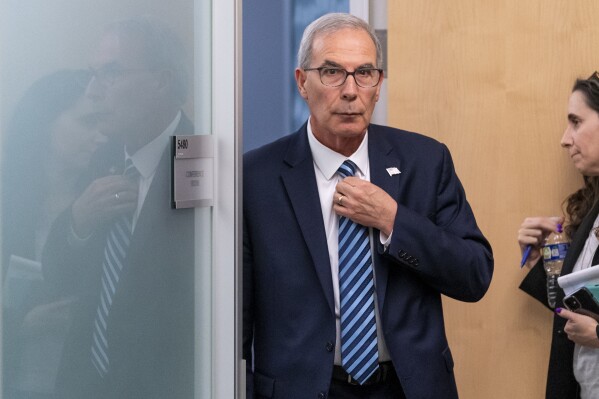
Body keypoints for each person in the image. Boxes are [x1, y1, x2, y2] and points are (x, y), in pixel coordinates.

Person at [243, 12, 494, 399]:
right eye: (331, 72)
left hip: (406, 387)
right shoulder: (257, 176)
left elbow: (474, 274)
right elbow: (237, 320)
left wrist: (394, 221)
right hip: (305, 388)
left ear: (378, 86)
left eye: (365, 73)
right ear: (302, 83)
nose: (350, 90)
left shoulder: (425, 161)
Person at [41, 16, 195, 398]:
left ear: (161, 80)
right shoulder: (102, 156)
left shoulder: (199, 159)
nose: (93, 91)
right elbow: (57, 277)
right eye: (91, 75)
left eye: (110, 74)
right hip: (84, 385)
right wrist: (78, 223)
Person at [2, 69, 104, 399]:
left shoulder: (105, 201)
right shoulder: (8, 201)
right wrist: (22, 326)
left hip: (84, 385)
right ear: (45, 122)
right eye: (88, 122)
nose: (100, 136)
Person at [519, 72, 599, 399]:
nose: (565, 139)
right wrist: (546, 265)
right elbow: (580, 307)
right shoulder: (593, 207)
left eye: (576, 122)